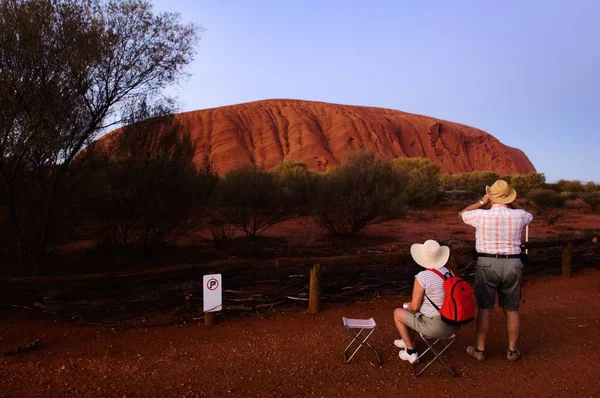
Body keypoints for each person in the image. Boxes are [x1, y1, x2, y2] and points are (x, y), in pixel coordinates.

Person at [459, 179, 533, 362]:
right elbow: (528, 214)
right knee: (512, 309)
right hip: (513, 264)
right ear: (509, 197)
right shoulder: (520, 216)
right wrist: (510, 202)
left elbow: (462, 213)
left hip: (487, 263)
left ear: (491, 196)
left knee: (485, 309)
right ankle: (512, 351)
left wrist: (482, 202)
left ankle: (480, 350)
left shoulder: (480, 216)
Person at [393, 239, 458, 363]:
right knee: (414, 314)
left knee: (399, 313)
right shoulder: (449, 273)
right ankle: (407, 340)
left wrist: (408, 306)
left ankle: (410, 352)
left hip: (435, 326)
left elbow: (415, 307)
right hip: (453, 325)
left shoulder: (422, 276)